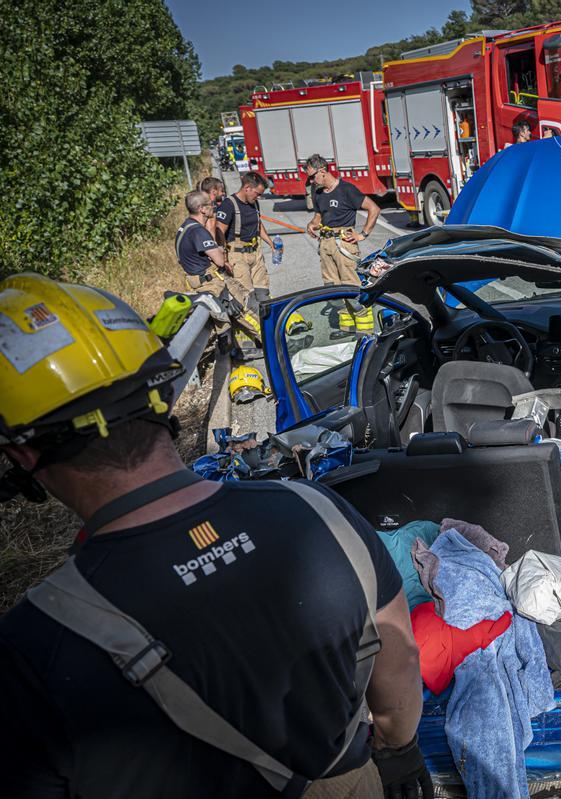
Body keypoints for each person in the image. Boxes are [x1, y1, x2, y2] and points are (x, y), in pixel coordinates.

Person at [0, 274, 431, 797]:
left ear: (21, 456)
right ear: (161, 394)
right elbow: (398, 660)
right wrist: (398, 754)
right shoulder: (318, 511)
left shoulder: (33, 644)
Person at [304, 154, 381, 336]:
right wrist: (312, 224)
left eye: (312, 176)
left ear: (322, 172)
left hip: (344, 245)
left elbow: (374, 208)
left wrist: (363, 234)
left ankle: (364, 332)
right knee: (333, 289)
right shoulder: (318, 193)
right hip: (325, 244)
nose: (311, 181)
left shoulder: (347, 190)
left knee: (351, 288)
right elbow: (319, 216)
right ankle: (347, 329)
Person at [214, 171, 273, 311]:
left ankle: (270, 325)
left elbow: (258, 224)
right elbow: (219, 231)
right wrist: (224, 258)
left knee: (263, 293)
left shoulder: (254, 203)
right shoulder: (229, 205)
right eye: (257, 194)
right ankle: (256, 331)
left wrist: (270, 243)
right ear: (247, 188)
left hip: (255, 253)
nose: (258, 197)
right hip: (238, 256)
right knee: (248, 297)